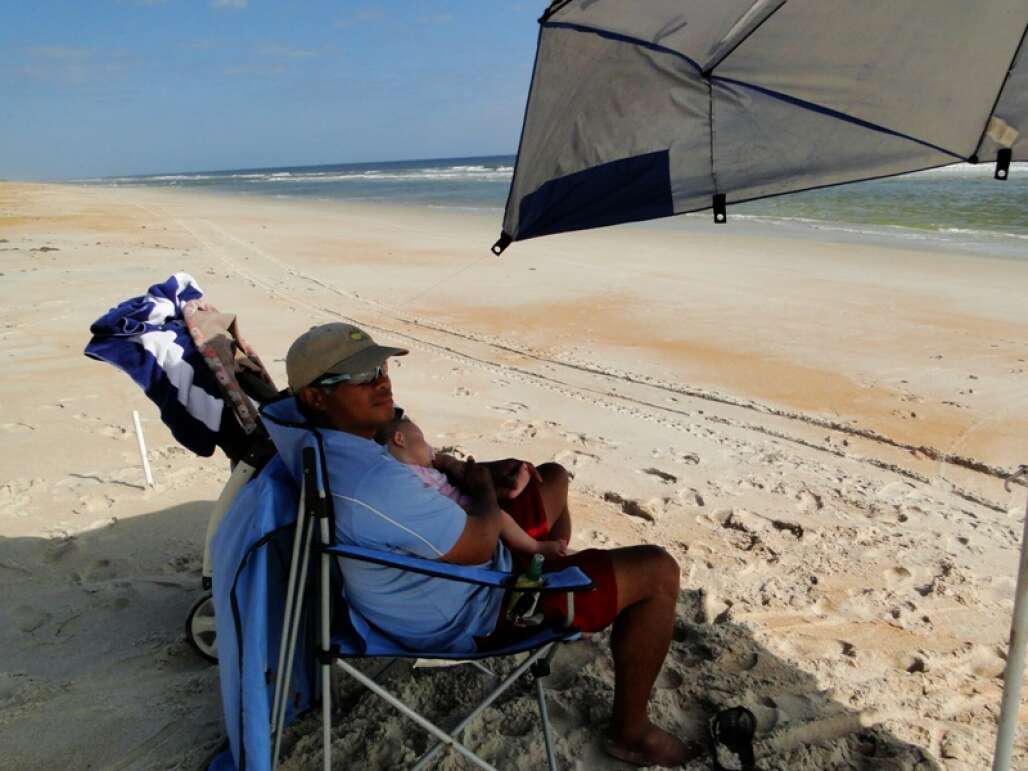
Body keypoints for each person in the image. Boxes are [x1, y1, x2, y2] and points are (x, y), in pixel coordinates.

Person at [286, 322, 702, 767]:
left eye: (381, 367)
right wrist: (481, 485)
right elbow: (480, 545)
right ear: (316, 397)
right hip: (473, 607)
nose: (382, 381)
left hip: (457, 564)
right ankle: (630, 733)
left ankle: (563, 592)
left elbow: (418, 478)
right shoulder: (371, 481)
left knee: (551, 478)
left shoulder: (346, 443)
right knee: (658, 571)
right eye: (362, 376)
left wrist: (478, 473)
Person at [374, 410, 569, 558]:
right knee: (552, 479)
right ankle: (537, 550)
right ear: (399, 439)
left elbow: (439, 459)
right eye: (423, 441)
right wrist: (483, 487)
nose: (429, 448)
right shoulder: (402, 478)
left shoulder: (409, 463)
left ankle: (551, 554)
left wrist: (454, 464)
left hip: (466, 500)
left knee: (550, 475)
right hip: (471, 523)